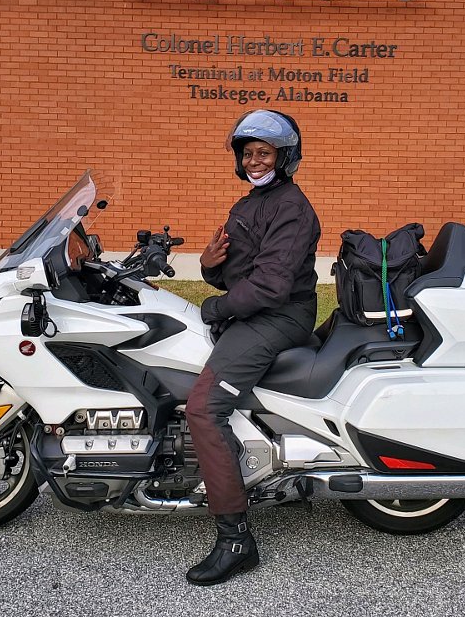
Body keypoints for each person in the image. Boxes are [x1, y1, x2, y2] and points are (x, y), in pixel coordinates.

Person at [184, 109, 320, 586]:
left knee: (203, 409)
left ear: (285, 158)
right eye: (248, 154)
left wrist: (217, 308)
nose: (255, 161)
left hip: (277, 316)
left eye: (264, 153)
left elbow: (269, 287)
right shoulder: (249, 204)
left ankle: (236, 540)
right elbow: (234, 269)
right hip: (255, 310)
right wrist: (208, 266)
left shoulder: (292, 208)